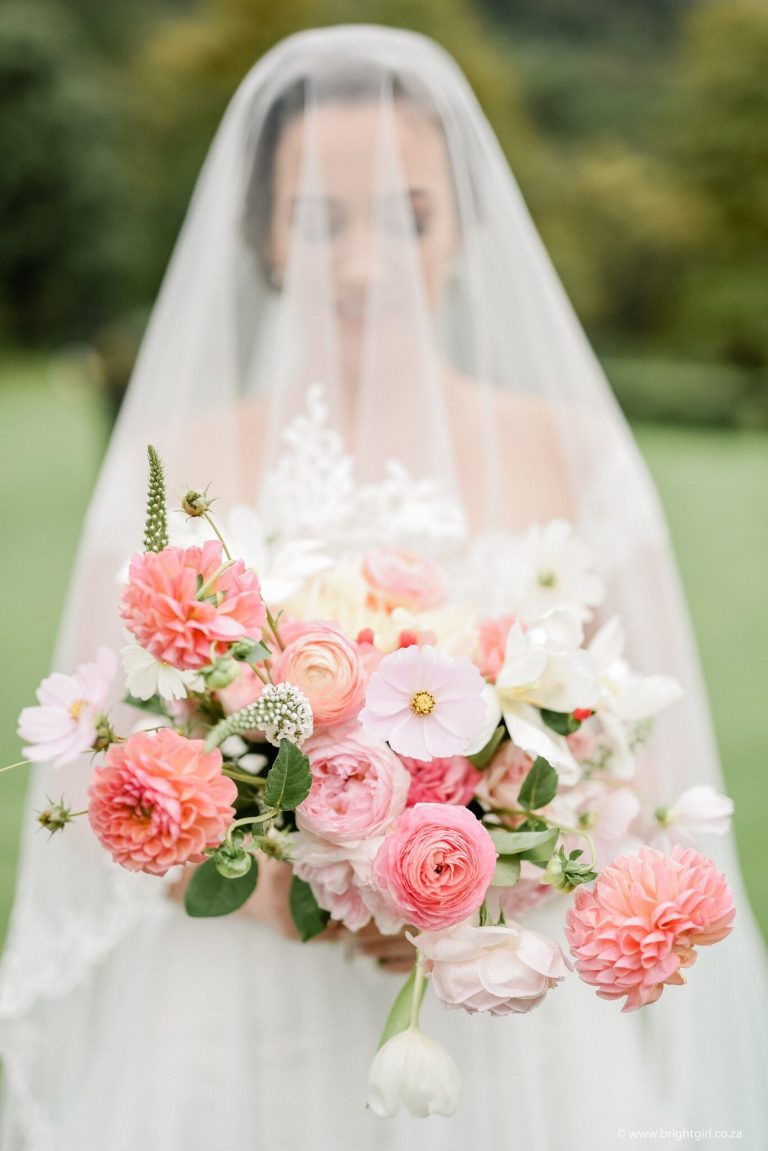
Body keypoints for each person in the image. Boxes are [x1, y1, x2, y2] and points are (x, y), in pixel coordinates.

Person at [1, 25, 766, 1150]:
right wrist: (279, 874)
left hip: (504, 1028)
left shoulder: (570, 454)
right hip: (241, 999)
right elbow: (106, 770)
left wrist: (479, 874)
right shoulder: (179, 459)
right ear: (262, 230)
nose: (363, 264)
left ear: (463, 221)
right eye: (319, 219)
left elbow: (643, 761)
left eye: (408, 215)